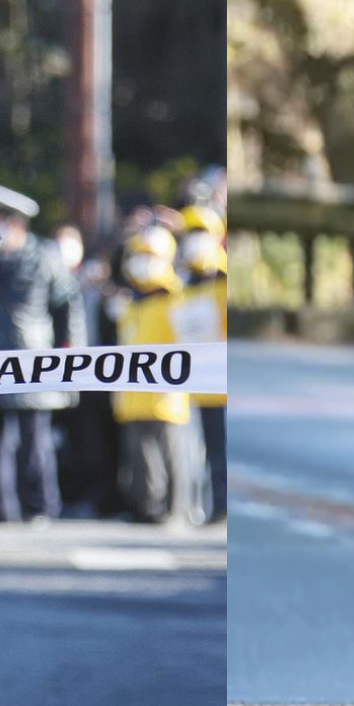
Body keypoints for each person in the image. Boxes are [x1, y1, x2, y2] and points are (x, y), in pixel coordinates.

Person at [0, 183, 85, 523]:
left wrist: (70, 351)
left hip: (32, 359)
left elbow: (67, 303)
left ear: (16, 222)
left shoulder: (44, 256)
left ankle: (40, 506)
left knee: (35, 441)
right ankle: (1, 507)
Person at [113, 225, 196, 524]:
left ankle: (175, 508)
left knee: (171, 452)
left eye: (149, 255)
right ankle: (146, 507)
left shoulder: (177, 298)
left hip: (165, 390)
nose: (142, 261)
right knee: (140, 454)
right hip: (134, 391)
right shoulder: (131, 301)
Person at [173, 205, 227, 523]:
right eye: (189, 233)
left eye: (201, 232)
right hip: (197, 380)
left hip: (224, 380)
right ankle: (208, 506)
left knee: (223, 448)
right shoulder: (183, 283)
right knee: (205, 449)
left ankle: (222, 506)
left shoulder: (223, 277)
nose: (194, 239)